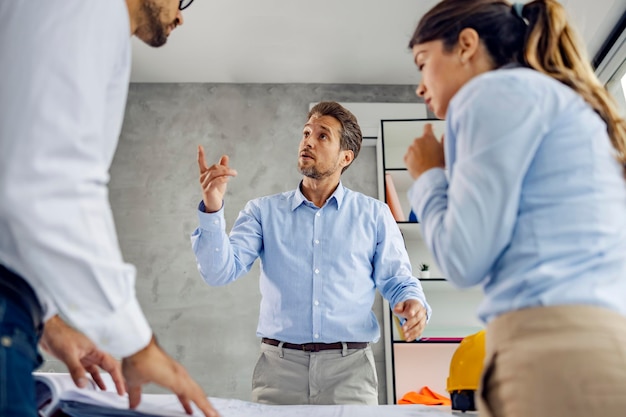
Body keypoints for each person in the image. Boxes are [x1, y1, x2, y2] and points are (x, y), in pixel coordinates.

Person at [403, 1, 626, 416]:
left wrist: (429, 174)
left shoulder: (488, 93)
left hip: (550, 354)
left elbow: (463, 259)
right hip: (590, 345)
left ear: (466, 44)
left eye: (423, 61)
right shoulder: (550, 98)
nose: (420, 85)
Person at [0, 1, 219, 416]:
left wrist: (49, 323)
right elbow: (51, 185)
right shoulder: (89, 9)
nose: (180, 15)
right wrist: (136, 343)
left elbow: (16, 168)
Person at [192, 101, 431, 405]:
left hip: (351, 372)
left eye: (322, 136)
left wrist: (412, 302)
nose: (307, 141)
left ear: (346, 157)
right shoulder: (262, 212)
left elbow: (398, 280)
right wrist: (213, 208)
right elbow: (219, 272)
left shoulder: (374, 215)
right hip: (279, 371)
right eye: (306, 133)